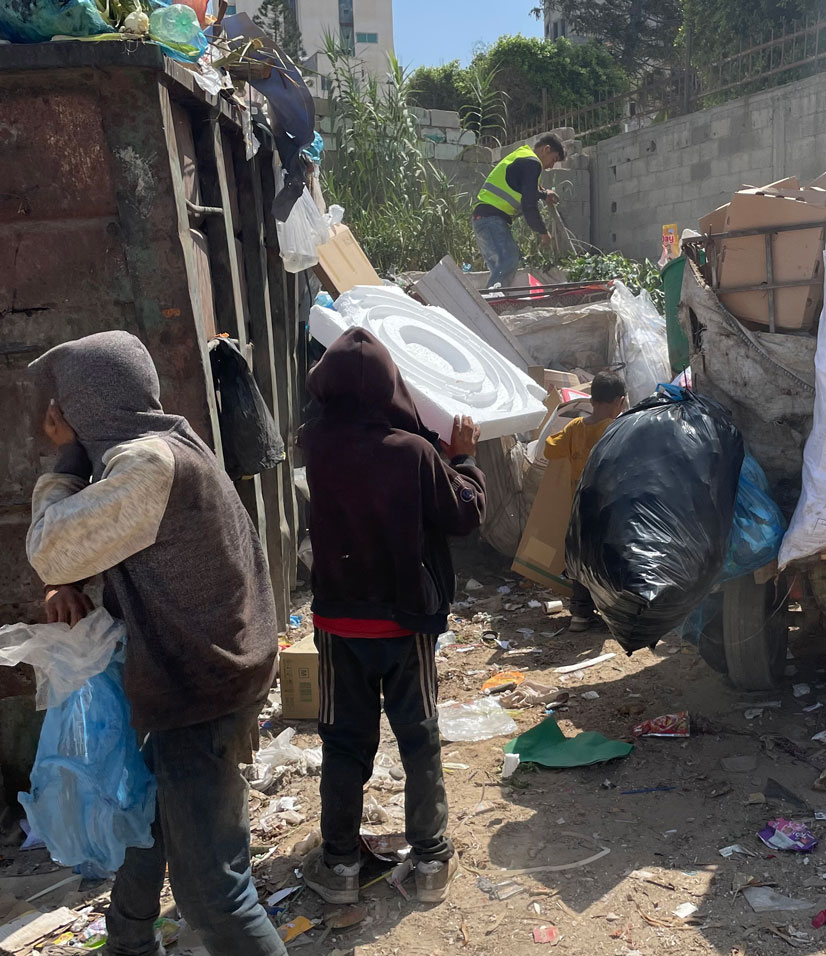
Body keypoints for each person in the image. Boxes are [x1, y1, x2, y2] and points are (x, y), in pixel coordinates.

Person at [25, 331, 283, 956]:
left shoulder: (148, 464)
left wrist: (65, 461)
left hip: (201, 693)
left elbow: (48, 546)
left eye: (67, 407)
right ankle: (127, 943)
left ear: (92, 405)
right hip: (197, 679)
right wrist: (73, 581)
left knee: (215, 898)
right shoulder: (164, 443)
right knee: (149, 820)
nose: (57, 420)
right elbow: (104, 544)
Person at [298, 327, 485, 906]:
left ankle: (340, 868)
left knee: (345, 743)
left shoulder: (315, 444)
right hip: (404, 624)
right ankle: (430, 861)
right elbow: (464, 515)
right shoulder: (413, 453)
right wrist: (466, 459)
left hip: (339, 624)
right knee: (419, 738)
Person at [544, 370, 627, 632]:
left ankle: (580, 614)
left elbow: (548, 448)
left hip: (579, 507)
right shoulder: (617, 430)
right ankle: (611, 612)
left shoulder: (575, 427)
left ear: (591, 400)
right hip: (608, 510)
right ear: (620, 402)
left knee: (579, 560)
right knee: (607, 561)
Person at [472, 133, 566, 289]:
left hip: (483, 218)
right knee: (508, 259)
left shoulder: (523, 156)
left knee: (500, 267)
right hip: (491, 219)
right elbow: (528, 204)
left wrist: (543, 194)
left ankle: (495, 302)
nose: (551, 166)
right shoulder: (533, 163)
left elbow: (525, 189)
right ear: (546, 149)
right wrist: (543, 232)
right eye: (554, 159)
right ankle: (494, 303)